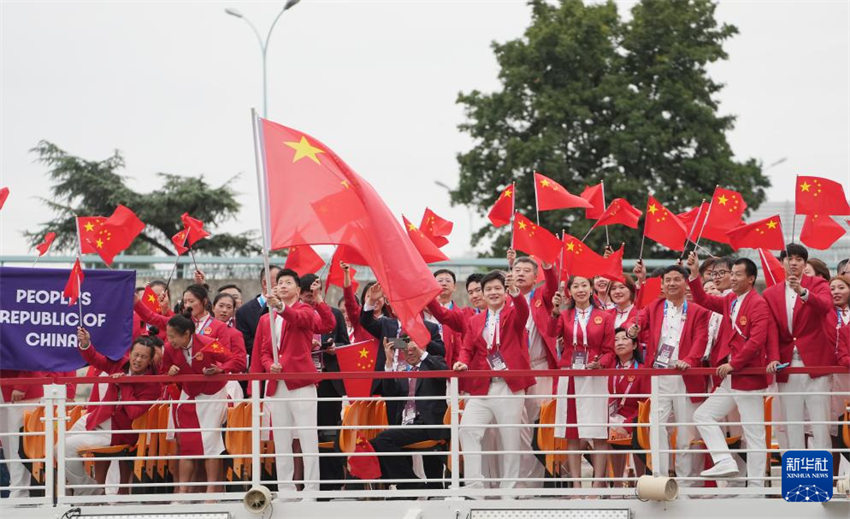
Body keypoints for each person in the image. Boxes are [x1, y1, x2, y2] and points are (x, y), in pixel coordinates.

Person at [688, 254, 772, 486]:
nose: (732, 278)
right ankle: (724, 459)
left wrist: (734, 364)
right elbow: (703, 300)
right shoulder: (731, 300)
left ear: (751, 278)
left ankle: (756, 488)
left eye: (737, 274)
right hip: (731, 378)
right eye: (731, 274)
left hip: (747, 377)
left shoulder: (758, 303)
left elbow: (756, 341)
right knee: (703, 415)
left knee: (754, 434)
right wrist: (695, 274)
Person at [256, 269, 335, 500]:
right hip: (277, 384)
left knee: (307, 437)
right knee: (281, 439)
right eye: (279, 282)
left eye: (288, 282)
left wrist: (280, 307)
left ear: (298, 290)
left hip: (300, 382)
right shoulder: (265, 319)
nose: (282, 286)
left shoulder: (304, 310)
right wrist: (270, 364)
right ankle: (286, 489)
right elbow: (263, 351)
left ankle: (311, 489)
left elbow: (300, 320)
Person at [453, 270, 535, 491]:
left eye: (497, 288)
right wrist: (462, 362)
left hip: (509, 387)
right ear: (483, 293)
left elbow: (523, 310)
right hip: (483, 388)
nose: (493, 292)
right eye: (488, 289)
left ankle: (509, 490)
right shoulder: (475, 320)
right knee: (467, 429)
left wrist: (516, 294)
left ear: (505, 291)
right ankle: (474, 487)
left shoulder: (513, 313)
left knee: (510, 439)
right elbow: (467, 348)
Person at [629, 263, 710, 483]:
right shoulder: (654, 307)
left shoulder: (699, 312)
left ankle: (687, 481)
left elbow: (701, 341)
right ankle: (660, 476)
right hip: (659, 375)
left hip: (685, 375)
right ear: (662, 285)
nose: (672, 283)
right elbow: (637, 321)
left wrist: (688, 360)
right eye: (668, 280)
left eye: (676, 279)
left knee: (685, 431)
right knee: (657, 426)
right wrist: (631, 330)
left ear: (685, 283)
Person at [64, 328, 161, 495]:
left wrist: (124, 383)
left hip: (118, 432)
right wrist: (85, 343)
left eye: (143, 357)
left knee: (66, 447)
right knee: (58, 448)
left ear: (150, 360)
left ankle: (87, 492)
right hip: (95, 419)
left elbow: (133, 413)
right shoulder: (120, 364)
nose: (137, 360)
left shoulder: (152, 384)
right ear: (130, 353)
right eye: (135, 355)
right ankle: (90, 489)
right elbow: (95, 359)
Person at [762, 243, 835, 450]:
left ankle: (823, 476)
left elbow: (825, 306)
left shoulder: (818, 284)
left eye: (799, 259)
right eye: (789, 259)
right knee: (792, 422)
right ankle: (797, 477)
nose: (793, 263)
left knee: (820, 423)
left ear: (804, 263)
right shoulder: (770, 293)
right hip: (788, 364)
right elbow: (772, 329)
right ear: (782, 262)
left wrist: (802, 292)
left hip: (816, 364)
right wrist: (774, 357)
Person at [548, 276, 615, 487]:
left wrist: (600, 364)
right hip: (570, 374)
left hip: (595, 376)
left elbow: (610, 350)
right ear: (569, 291)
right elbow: (551, 333)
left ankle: (597, 484)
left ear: (591, 288)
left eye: (584, 285)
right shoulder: (565, 314)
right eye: (575, 286)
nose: (580, 289)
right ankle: (576, 484)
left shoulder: (604, 316)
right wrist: (554, 312)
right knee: (572, 432)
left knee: (598, 431)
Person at [161, 313, 238, 494]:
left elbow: (235, 360)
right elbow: (163, 375)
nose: (169, 340)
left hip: (212, 395)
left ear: (187, 333)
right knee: (187, 443)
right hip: (189, 395)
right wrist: (169, 372)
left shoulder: (208, 342)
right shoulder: (169, 349)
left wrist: (220, 369)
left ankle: (212, 491)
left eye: (173, 336)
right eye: (168, 335)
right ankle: (182, 491)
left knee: (211, 442)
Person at [508, 250, 559, 486]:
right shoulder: (506, 298)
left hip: (539, 369)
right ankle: (523, 481)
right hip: (514, 373)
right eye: (517, 270)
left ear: (535, 276)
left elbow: (552, 287)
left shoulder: (541, 295)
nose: (520, 274)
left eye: (526, 270)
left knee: (541, 426)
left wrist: (548, 268)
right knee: (519, 428)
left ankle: (548, 480)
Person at [370, 337, 448, 489]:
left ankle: (414, 486)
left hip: (428, 423)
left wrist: (422, 352)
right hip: (406, 423)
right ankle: (412, 486)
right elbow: (390, 393)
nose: (409, 353)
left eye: (412, 349)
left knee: (384, 440)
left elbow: (444, 374)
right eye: (405, 350)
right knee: (380, 441)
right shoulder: (401, 369)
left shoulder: (432, 362)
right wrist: (389, 362)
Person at [360, 283, 445, 371]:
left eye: (397, 301)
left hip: (416, 379)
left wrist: (422, 341)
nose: (392, 305)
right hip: (389, 377)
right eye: (390, 301)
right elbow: (366, 322)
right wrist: (371, 301)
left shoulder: (429, 327)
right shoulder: (385, 324)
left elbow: (440, 351)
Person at [607, 328, 649, 485]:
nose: (619, 343)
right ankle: (616, 484)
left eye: (624, 339)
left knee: (638, 432)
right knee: (603, 431)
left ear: (635, 345)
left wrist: (628, 424)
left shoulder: (643, 370)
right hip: (613, 418)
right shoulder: (611, 369)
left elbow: (646, 404)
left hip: (635, 419)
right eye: (616, 340)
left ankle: (641, 482)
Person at [236, 265, 282, 370]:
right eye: (279, 282)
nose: (282, 286)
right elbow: (246, 342)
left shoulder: (287, 308)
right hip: (259, 366)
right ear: (265, 284)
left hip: (284, 364)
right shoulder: (244, 311)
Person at [424, 269, 463, 367]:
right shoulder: (420, 313)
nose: (444, 283)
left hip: (449, 368)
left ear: (454, 287)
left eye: (448, 281)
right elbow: (403, 339)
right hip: (422, 367)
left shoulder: (460, 315)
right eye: (440, 281)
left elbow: (461, 348)